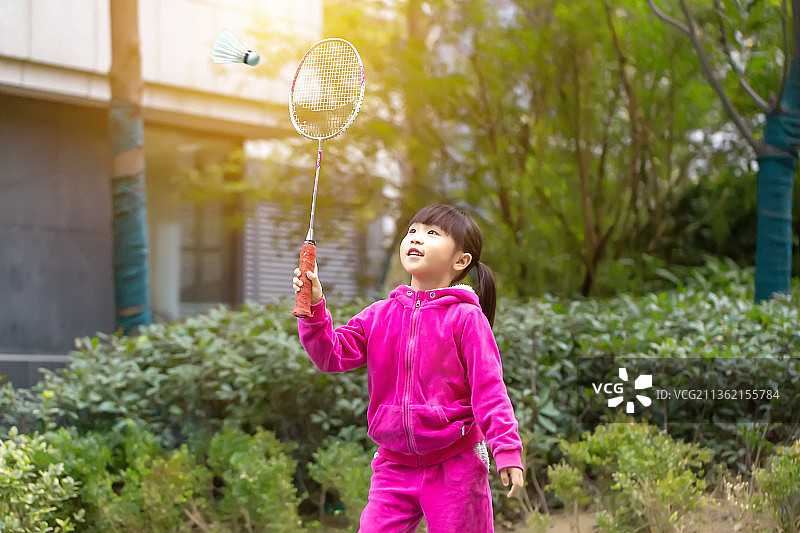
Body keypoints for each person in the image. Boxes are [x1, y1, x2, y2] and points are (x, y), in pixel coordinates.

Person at [292, 204, 525, 532]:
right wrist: (315, 306)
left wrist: (508, 450)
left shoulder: (466, 319)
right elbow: (330, 355)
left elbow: (490, 391)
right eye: (412, 231)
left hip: (455, 466)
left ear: (461, 261)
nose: (416, 238)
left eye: (432, 233)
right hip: (393, 467)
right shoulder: (380, 314)